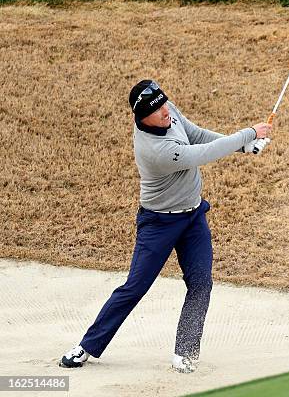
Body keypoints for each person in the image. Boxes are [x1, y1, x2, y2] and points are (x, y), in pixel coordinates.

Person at [59, 80, 271, 373]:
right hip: (159, 223)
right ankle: (87, 346)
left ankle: (185, 351)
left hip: (193, 217)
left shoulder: (168, 111)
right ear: (142, 117)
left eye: (164, 103)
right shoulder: (156, 150)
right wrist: (248, 134)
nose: (165, 112)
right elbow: (201, 154)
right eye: (157, 110)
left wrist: (243, 147)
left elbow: (196, 135)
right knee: (134, 287)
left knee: (201, 283)